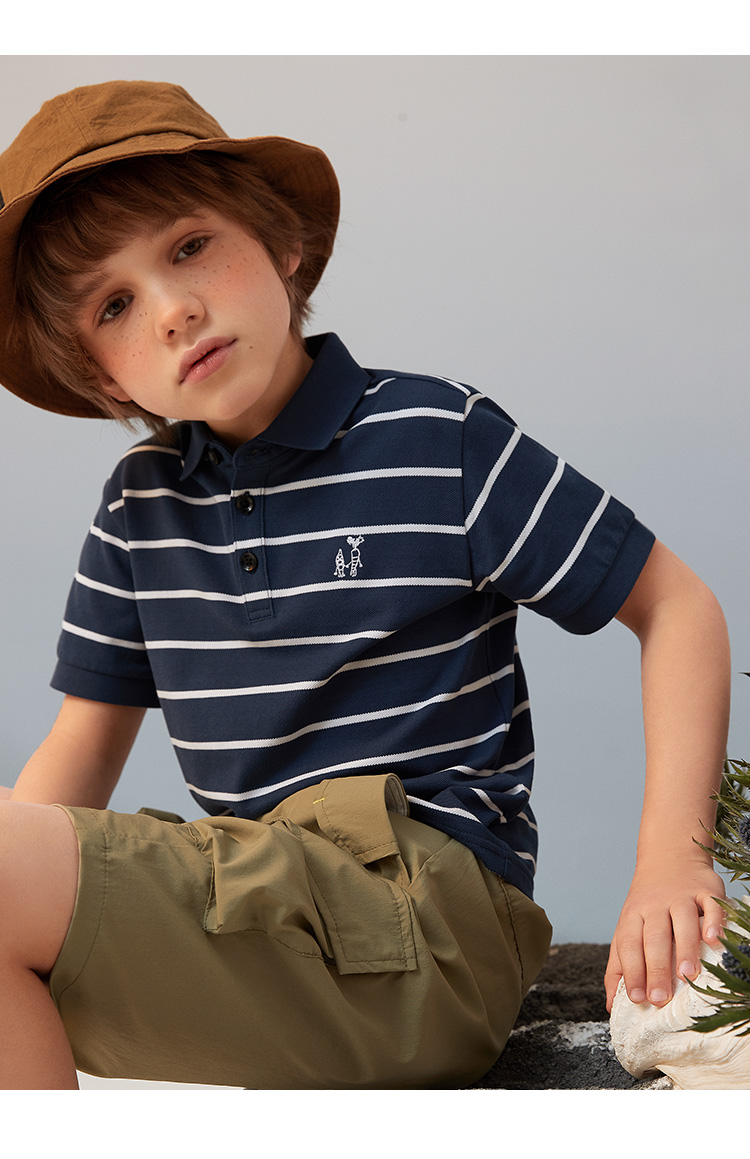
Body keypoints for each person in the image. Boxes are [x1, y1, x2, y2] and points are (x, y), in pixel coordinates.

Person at [0, 80, 731, 1090]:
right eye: (114, 306)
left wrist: (670, 858)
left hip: (426, 919)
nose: (174, 310)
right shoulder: (140, 507)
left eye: (190, 246)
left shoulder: (434, 437)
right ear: (104, 377)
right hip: (263, 919)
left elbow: (676, 604)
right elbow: (78, 752)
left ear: (283, 244)